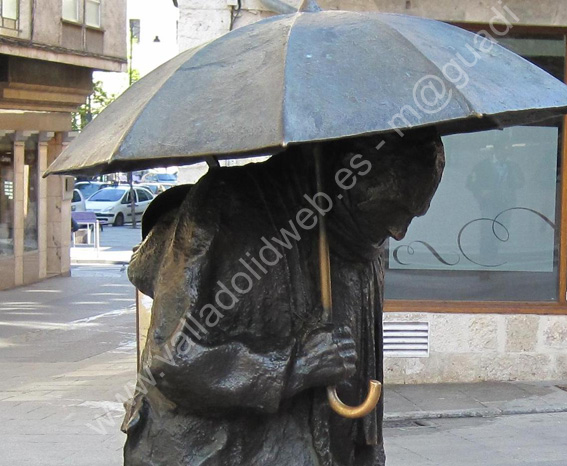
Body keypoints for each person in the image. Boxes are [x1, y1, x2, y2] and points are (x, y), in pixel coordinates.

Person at [123, 129, 445, 466]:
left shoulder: (365, 242)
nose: (398, 231)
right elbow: (171, 365)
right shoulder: (226, 207)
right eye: (392, 209)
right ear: (345, 175)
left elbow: (361, 396)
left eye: (411, 215)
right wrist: (294, 365)